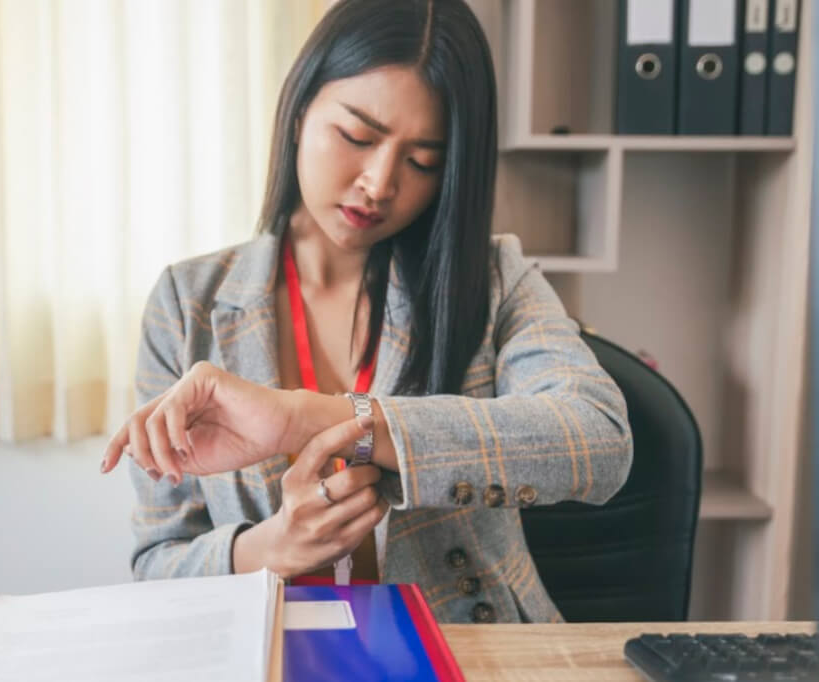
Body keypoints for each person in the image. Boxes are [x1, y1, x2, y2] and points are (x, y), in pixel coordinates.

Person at [101, 0, 633, 624]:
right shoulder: (186, 301)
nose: (380, 184)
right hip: (272, 650)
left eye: (422, 162)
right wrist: (270, 548)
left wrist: (307, 419)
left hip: (469, 645)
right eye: (357, 137)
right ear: (300, 111)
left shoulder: (493, 278)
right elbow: (159, 562)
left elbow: (598, 438)